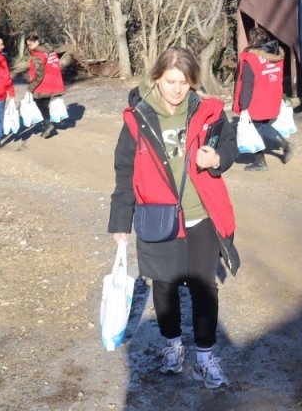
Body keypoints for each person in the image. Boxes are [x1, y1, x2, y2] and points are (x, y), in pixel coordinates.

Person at [107, 47, 239, 389]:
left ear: (193, 82)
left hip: (201, 215)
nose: (177, 90)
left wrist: (219, 158)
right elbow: (125, 170)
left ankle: (206, 357)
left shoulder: (209, 111)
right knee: (163, 285)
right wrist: (120, 221)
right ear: (156, 79)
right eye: (170, 81)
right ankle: (173, 347)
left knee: (204, 287)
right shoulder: (138, 118)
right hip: (157, 216)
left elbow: (230, 144)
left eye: (184, 82)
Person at [233, 27, 292, 171]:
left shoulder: (251, 58)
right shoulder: (276, 56)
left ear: (252, 40)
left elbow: (247, 85)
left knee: (255, 127)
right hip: (272, 97)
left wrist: (243, 105)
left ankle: (279, 148)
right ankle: (261, 161)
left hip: (256, 100)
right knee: (260, 127)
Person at [24, 34, 65, 139]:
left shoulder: (38, 54)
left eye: (31, 44)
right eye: (28, 45)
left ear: (37, 42)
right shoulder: (50, 51)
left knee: (38, 102)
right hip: (53, 82)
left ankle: (47, 124)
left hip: (43, 85)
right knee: (45, 104)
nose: (30, 46)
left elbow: (39, 73)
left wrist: (31, 87)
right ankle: (47, 125)